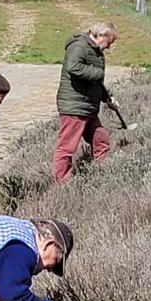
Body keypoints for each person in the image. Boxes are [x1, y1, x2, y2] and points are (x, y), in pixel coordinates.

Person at [53, 23, 118, 183]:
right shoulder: (79, 46)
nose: (109, 46)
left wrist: (107, 98)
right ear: (101, 36)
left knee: (101, 141)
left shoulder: (95, 52)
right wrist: (97, 72)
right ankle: (61, 183)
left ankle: (101, 176)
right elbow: (73, 67)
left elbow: (96, 82)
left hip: (87, 107)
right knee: (67, 148)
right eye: (109, 42)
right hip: (75, 106)